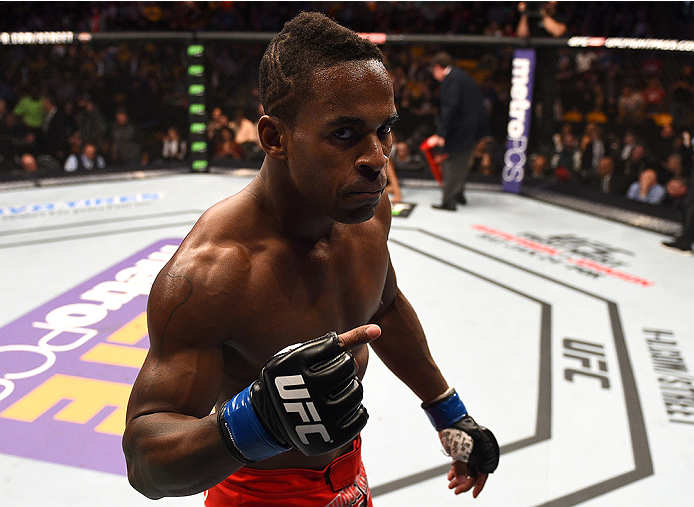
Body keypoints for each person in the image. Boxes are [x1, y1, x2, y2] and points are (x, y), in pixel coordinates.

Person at [123, 12, 499, 507]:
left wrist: (449, 412)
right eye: (345, 134)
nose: (377, 157)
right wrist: (255, 421)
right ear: (275, 138)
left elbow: (382, 305)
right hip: (257, 494)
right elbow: (145, 462)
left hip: (350, 477)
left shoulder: (368, 212)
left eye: (384, 129)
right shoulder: (213, 273)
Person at [427, 51, 489, 210]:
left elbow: (450, 106)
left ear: (438, 67)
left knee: (453, 163)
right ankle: (458, 194)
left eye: (434, 71)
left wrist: (441, 133)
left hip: (462, 128)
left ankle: (449, 201)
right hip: (471, 127)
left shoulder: (451, 79)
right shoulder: (461, 76)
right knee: (461, 162)